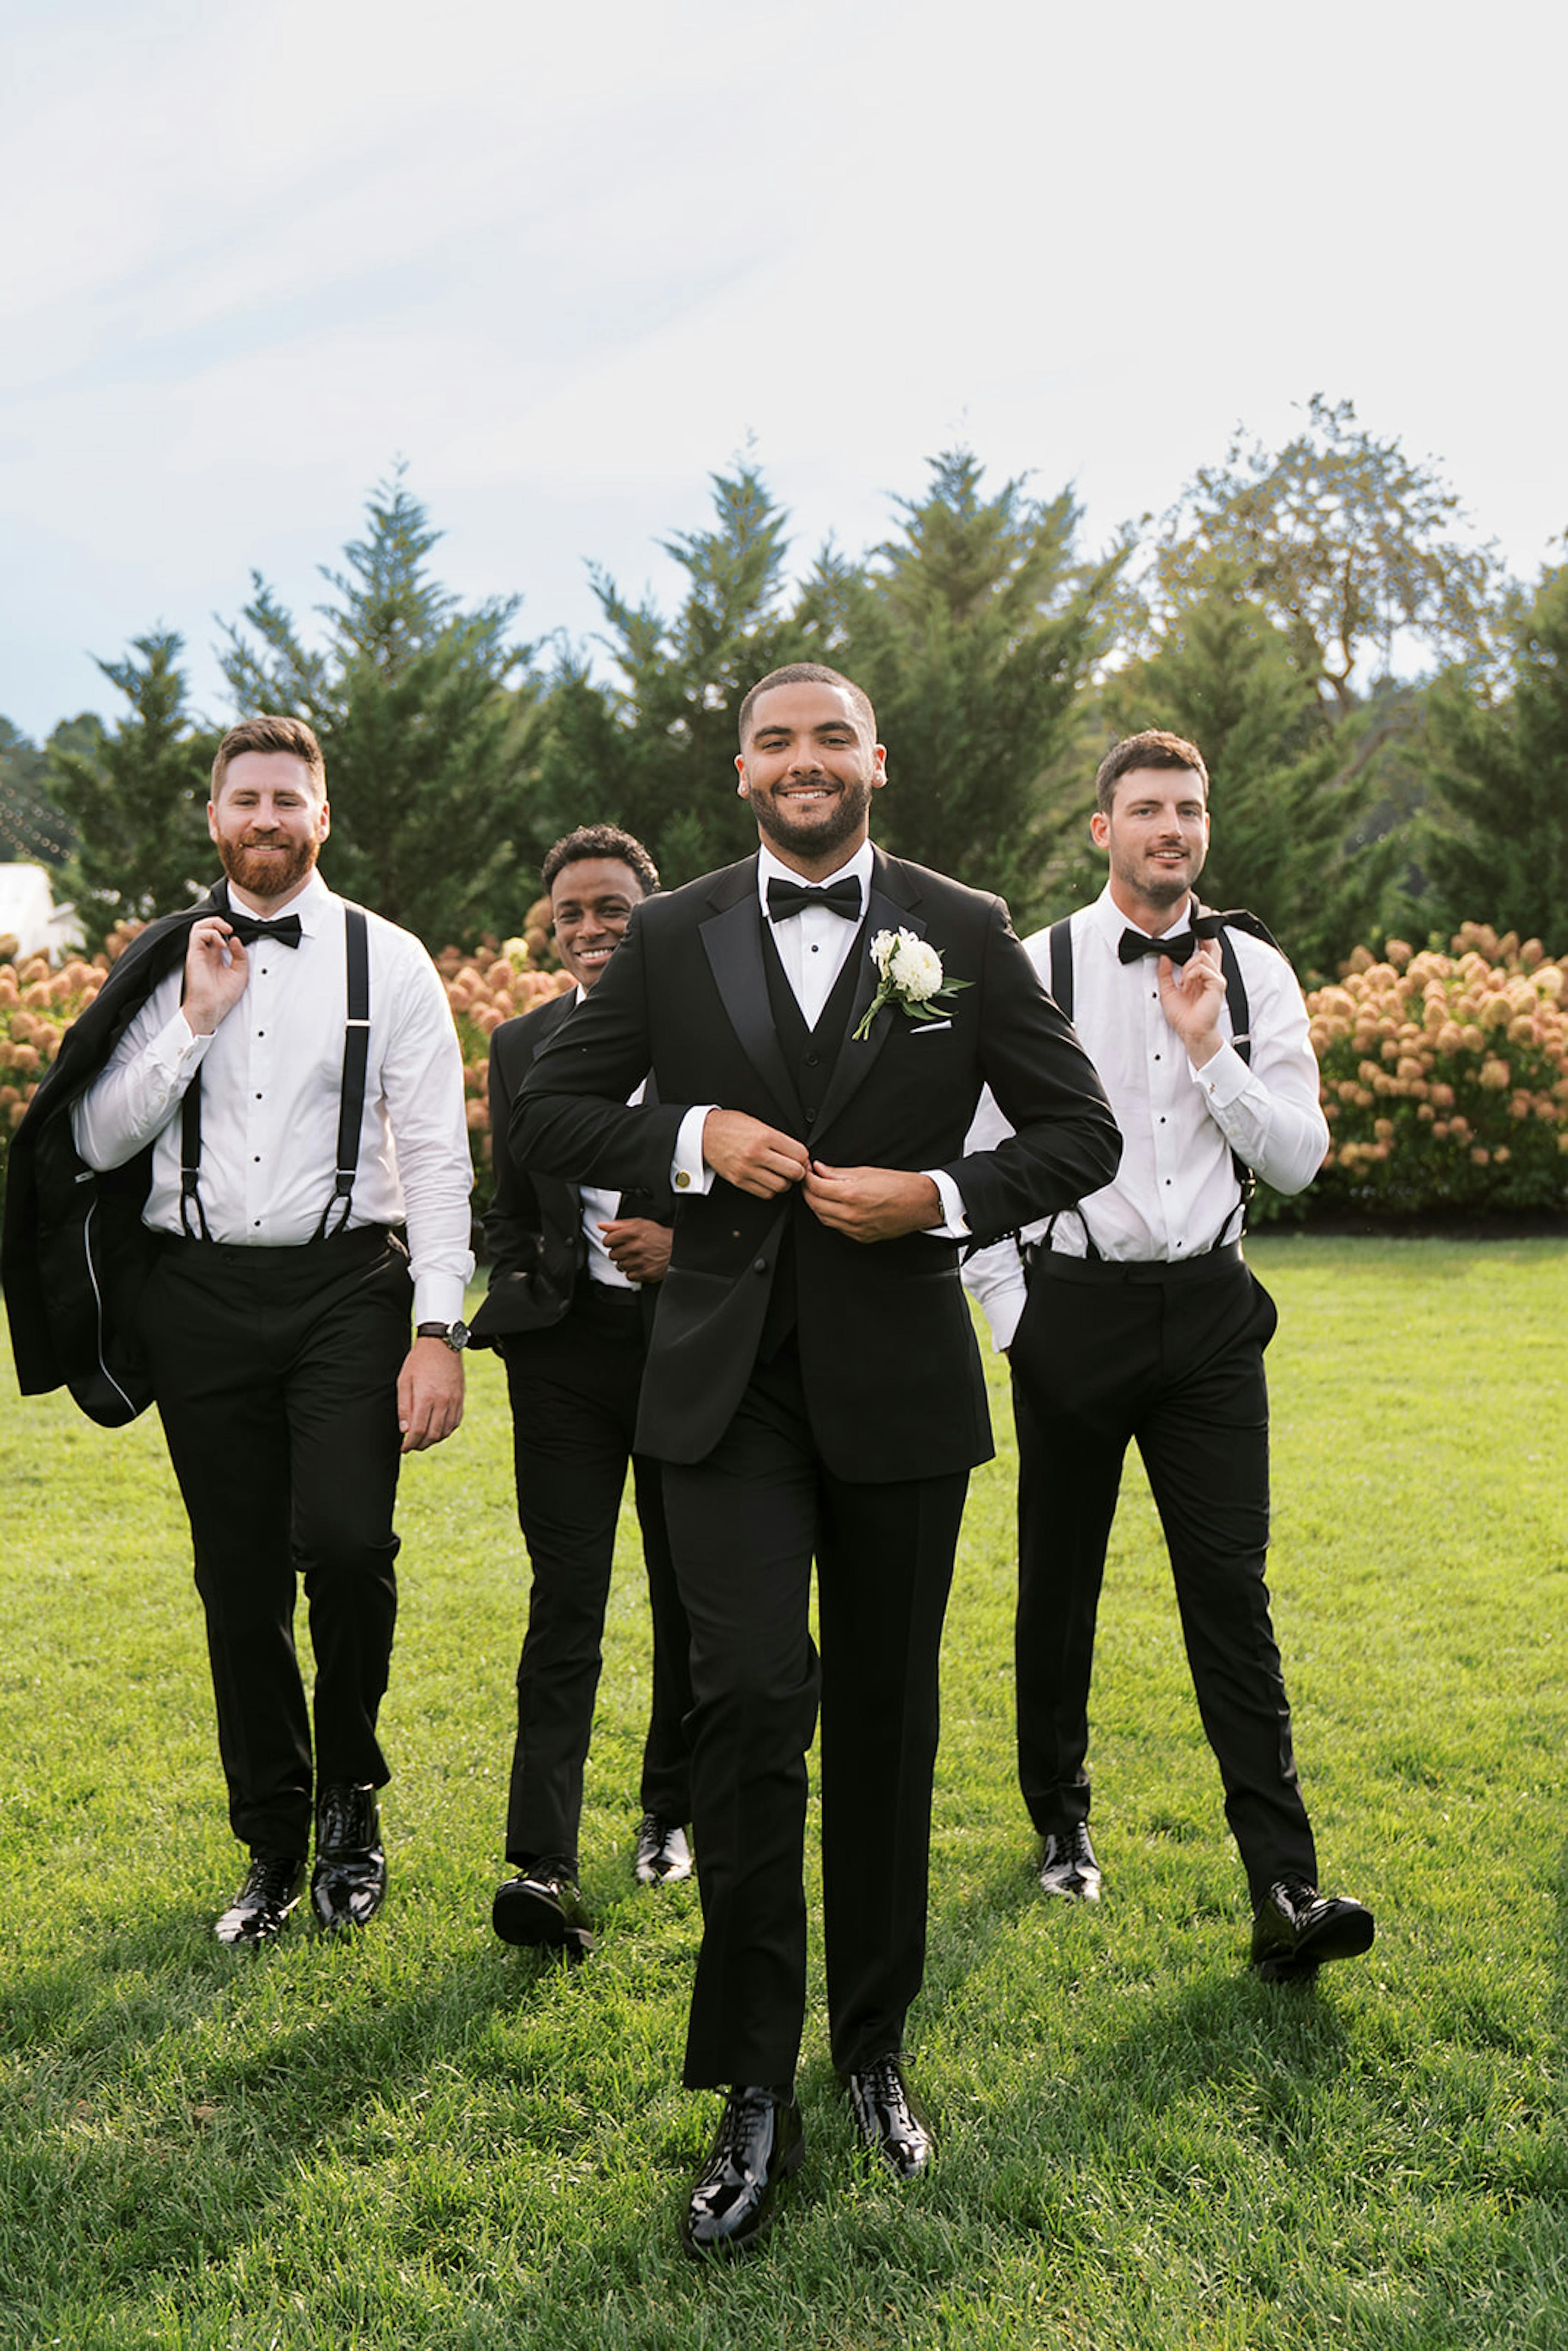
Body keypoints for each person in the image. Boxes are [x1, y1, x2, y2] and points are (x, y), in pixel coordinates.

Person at [513, 664, 1121, 2255]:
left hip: (900, 1387)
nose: (805, 759)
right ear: (741, 771)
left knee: (887, 1719)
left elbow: (1083, 1133)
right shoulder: (670, 931)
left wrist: (939, 1196)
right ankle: (750, 2083)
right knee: (748, 1699)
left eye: (831, 736)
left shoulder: (963, 927)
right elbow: (548, 1111)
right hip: (724, 1387)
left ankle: (873, 2049)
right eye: (777, 739)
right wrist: (690, 1137)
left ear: (875, 760)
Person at [26, 714, 473, 1946]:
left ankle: (350, 1798)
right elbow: (92, 1137)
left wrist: (439, 1326)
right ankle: (273, 1841)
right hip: (199, 1298)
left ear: (321, 817)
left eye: (287, 799)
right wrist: (195, 1020)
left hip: (348, 1287)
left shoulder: (392, 962)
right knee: (237, 1578)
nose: (266, 819)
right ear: (214, 818)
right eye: (245, 800)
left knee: (348, 1545)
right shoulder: (164, 961)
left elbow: (438, 1157)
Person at [963, 728, 1374, 1981]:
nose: (1172, 828)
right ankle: (1061, 1821)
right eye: (1147, 808)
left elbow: (1295, 1158)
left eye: (1189, 808)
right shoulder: (1034, 968)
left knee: (1231, 1594)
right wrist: (1016, 1319)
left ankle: (1283, 1886)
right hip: (1071, 1313)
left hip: (1209, 1319)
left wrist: (1211, 1051)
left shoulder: (1255, 971)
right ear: (1103, 828)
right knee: (1061, 1581)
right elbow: (977, 1161)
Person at [469, 824, 694, 1960]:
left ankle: (669, 1811)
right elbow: (509, 1205)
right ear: (549, 930)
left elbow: (769, 1185)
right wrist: (525, 1285)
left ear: (652, 915)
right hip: (563, 1357)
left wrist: (682, 1252)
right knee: (565, 1600)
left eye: (612, 908)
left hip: (691, 1346)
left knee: (688, 1592)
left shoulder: (715, 1036)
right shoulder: (520, 1044)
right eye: (571, 913)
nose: (592, 929)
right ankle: (540, 1862)